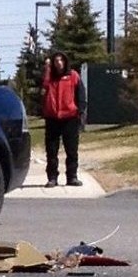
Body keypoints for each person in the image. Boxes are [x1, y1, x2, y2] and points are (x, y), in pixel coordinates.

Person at [40, 51, 87, 187]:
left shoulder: (73, 76)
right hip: (52, 119)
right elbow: (43, 92)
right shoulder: (50, 78)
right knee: (51, 151)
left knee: (71, 150)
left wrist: (80, 112)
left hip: (70, 118)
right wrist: (47, 70)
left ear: (65, 62)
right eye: (56, 61)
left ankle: (72, 177)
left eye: (61, 60)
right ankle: (52, 178)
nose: (59, 63)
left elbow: (81, 96)